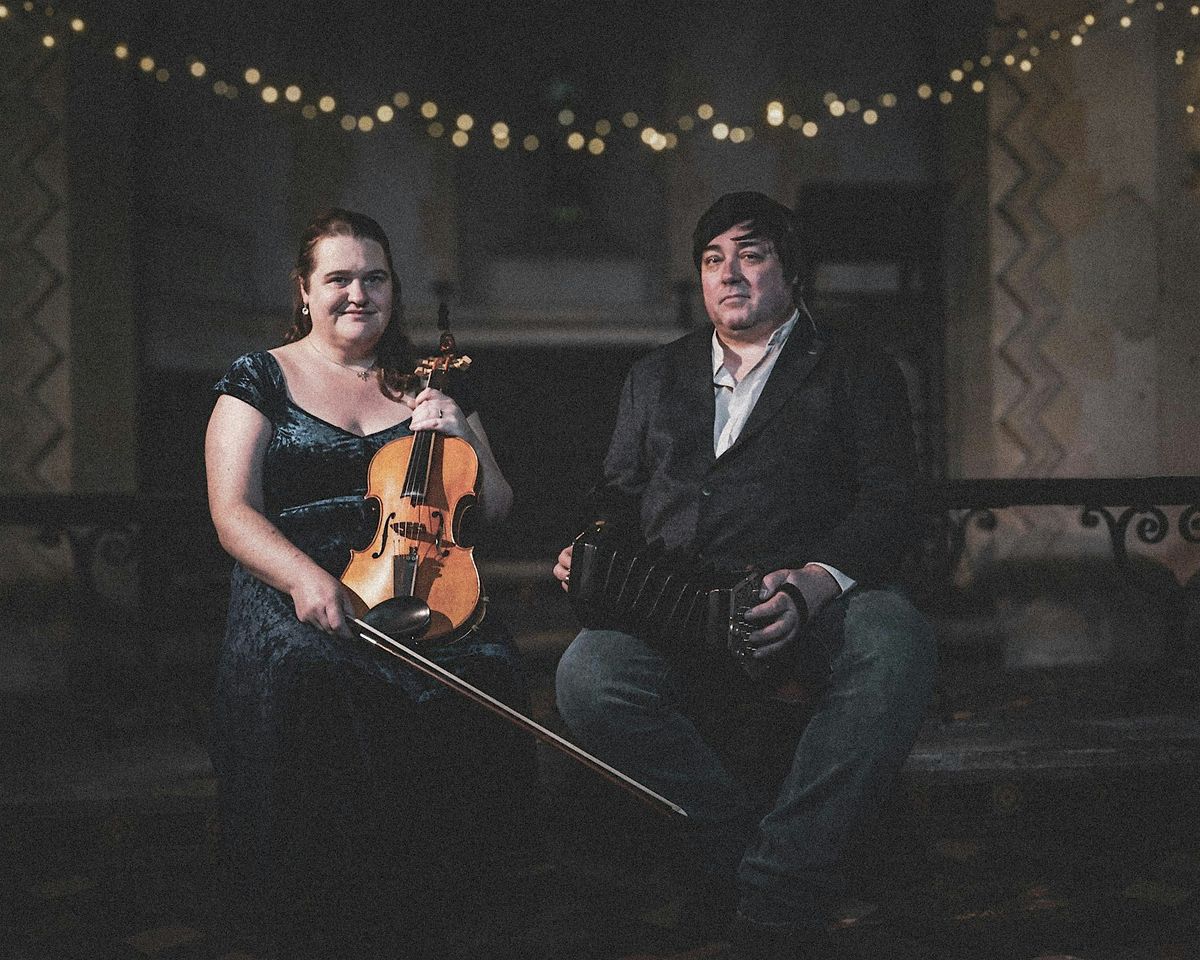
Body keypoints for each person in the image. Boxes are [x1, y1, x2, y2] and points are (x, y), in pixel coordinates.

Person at [553, 192, 937, 959]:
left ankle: (776, 885)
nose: (728, 274)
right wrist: (589, 550)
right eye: (712, 259)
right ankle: (762, 867)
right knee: (587, 674)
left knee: (896, 640)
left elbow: (893, 500)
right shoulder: (654, 377)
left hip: (811, 605)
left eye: (751, 255)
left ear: (791, 271)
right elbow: (615, 499)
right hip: (681, 608)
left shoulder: (858, 368)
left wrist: (814, 583)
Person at [205, 208, 537, 957]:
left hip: (415, 574)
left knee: (488, 663)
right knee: (310, 672)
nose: (358, 294)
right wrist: (304, 578)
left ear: (393, 289)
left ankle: (450, 902)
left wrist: (460, 433)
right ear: (304, 290)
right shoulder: (259, 377)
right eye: (339, 279)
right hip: (291, 579)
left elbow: (497, 506)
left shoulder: (427, 382)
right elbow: (232, 513)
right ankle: (327, 911)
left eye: (375, 278)